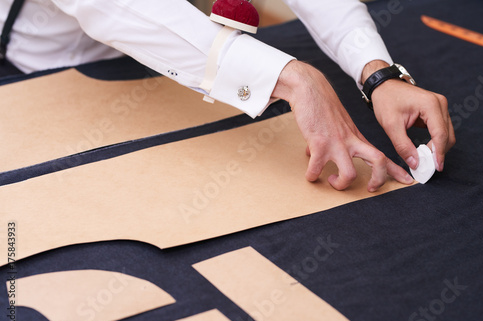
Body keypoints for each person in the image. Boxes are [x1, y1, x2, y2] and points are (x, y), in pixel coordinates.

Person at [0, 0, 455, 192]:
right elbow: (123, 9)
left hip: (176, 57)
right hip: (46, 70)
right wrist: (294, 79)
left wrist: (377, 74)